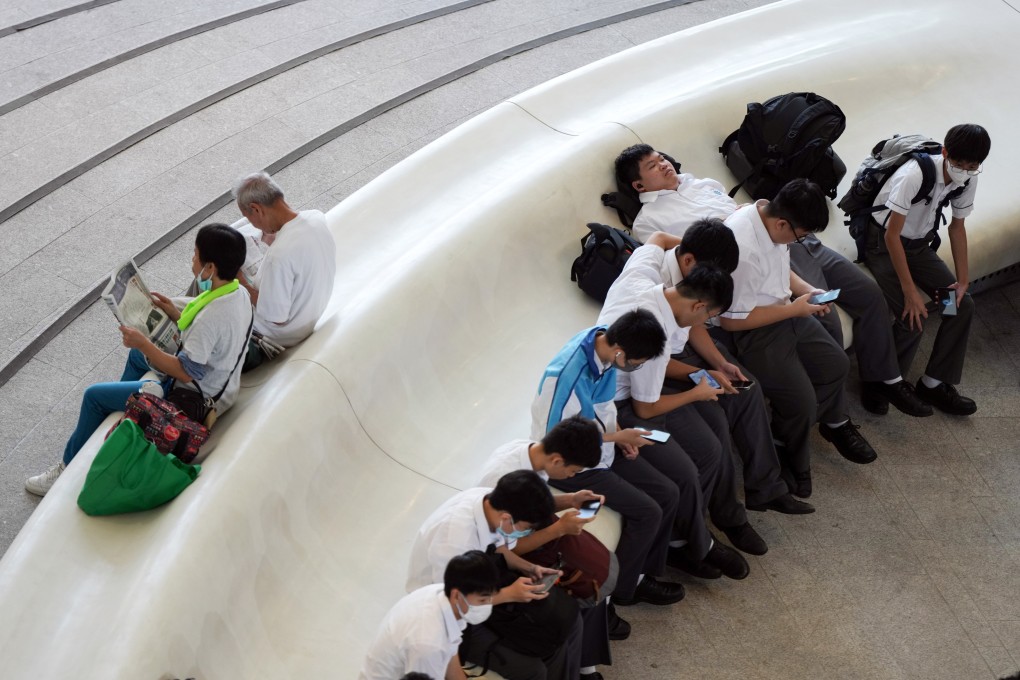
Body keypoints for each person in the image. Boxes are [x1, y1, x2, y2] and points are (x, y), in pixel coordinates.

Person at [616, 143, 931, 417]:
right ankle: (836, 418)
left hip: (792, 239)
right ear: (640, 186)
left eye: (661, 158)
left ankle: (885, 379)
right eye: (652, 166)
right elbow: (692, 252)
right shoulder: (649, 220)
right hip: (753, 254)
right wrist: (731, 224)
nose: (663, 164)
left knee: (869, 295)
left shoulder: (701, 183)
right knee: (827, 319)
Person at [25, 224, 254, 496]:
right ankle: (115, 418)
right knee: (137, 358)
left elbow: (185, 372)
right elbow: (210, 344)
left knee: (93, 396)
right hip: (219, 386)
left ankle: (64, 470)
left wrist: (143, 342)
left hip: (189, 400)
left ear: (210, 268)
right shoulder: (237, 294)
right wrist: (171, 311)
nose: (192, 260)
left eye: (195, 255)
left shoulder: (211, 316)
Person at [535, 309, 748, 598]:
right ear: (621, 353)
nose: (635, 368)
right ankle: (621, 590)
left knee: (670, 491)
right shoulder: (567, 380)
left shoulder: (602, 346)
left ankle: (649, 567)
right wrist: (615, 437)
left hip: (605, 445)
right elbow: (560, 444)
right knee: (648, 511)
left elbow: (603, 406)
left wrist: (621, 434)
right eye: (636, 364)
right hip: (576, 466)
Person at [595, 242, 770, 572]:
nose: (703, 323)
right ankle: (688, 542)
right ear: (700, 305)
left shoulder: (640, 277)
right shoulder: (655, 332)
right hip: (621, 407)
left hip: (637, 387)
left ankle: (692, 533)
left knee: (712, 443)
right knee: (696, 461)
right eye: (709, 316)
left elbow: (656, 240)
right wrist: (697, 393)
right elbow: (646, 407)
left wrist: (704, 373)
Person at [718, 179, 878, 498]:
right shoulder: (742, 247)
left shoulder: (766, 213)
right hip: (754, 331)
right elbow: (732, 321)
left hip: (783, 310)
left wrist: (807, 291)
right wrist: (793, 311)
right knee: (802, 401)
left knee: (835, 365)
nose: (799, 240)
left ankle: (784, 434)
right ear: (782, 223)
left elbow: (780, 269)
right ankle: (793, 457)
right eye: (799, 235)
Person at [642, 222, 814, 515]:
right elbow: (651, 361)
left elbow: (694, 322)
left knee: (748, 390)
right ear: (688, 262)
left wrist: (719, 363)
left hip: (686, 341)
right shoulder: (650, 285)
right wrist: (702, 375)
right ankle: (727, 514)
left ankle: (766, 488)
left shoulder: (689, 268)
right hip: (658, 359)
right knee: (717, 423)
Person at [863, 124, 990, 415]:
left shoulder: (967, 179)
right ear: (946, 153)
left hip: (918, 248)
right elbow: (890, 236)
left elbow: (957, 228)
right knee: (913, 314)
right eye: (959, 163)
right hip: (883, 248)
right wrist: (910, 292)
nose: (965, 170)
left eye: (973, 166)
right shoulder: (915, 174)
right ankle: (880, 382)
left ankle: (932, 383)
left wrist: (962, 281)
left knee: (959, 306)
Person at [407, 470, 582, 680]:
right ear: (507, 518)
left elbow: (498, 548)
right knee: (534, 669)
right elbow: (452, 604)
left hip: (481, 584)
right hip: (448, 612)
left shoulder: (488, 502)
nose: (526, 533)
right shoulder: (454, 540)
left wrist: (528, 567)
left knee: (563, 625)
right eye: (526, 528)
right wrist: (509, 594)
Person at [481, 415, 615, 680]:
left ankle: (585, 662)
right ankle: (575, 665)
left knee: (598, 563)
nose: (571, 476)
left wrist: (571, 500)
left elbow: (534, 504)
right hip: (499, 558)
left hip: (525, 535)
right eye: (573, 472)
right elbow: (503, 550)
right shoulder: (501, 480)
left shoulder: (532, 454)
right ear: (557, 460)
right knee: (583, 582)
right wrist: (557, 530)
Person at [231, 172, 337, 371]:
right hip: (308, 312)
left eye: (249, 217)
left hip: (279, 333)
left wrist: (239, 281)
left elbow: (276, 317)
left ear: (256, 208)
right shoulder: (316, 218)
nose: (252, 224)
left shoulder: (279, 256)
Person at [360, 550, 499, 680]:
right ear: (457, 595)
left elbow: (451, 647)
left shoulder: (442, 594)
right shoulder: (429, 644)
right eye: (482, 600)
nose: (488, 605)